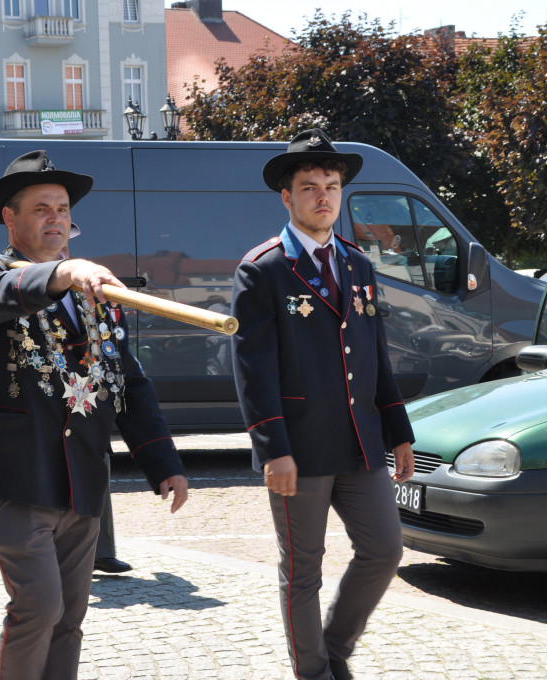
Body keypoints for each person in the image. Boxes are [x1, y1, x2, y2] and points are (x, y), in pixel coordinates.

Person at [0, 150, 189, 680]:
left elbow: (128, 381)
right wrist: (62, 272)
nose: (56, 217)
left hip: (82, 476)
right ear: (10, 219)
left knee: (70, 617)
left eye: (62, 208)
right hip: (16, 473)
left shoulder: (93, 292)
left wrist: (162, 461)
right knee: (39, 605)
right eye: (41, 208)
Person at [230, 129, 416, 680]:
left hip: (361, 441)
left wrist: (398, 430)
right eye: (310, 187)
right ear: (286, 198)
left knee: (384, 550)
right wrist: (272, 449)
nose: (323, 198)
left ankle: (333, 649)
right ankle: (312, 672)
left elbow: (375, 354)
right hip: (300, 448)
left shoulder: (356, 263)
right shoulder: (262, 269)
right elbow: (252, 368)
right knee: (303, 571)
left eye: (331, 186)